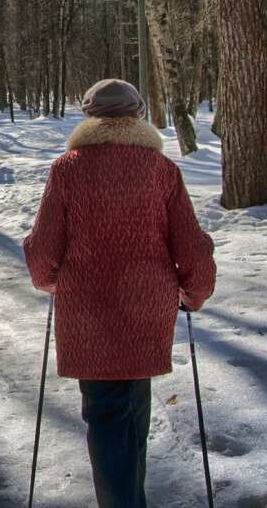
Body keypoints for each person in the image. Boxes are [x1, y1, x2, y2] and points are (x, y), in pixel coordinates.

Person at [22, 78, 216, 508]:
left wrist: (50, 282)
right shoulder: (162, 170)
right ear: (138, 116)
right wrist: (194, 293)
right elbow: (194, 247)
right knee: (132, 406)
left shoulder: (67, 168)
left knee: (108, 413)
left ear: (89, 116)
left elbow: (41, 250)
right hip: (147, 311)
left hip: (87, 314)